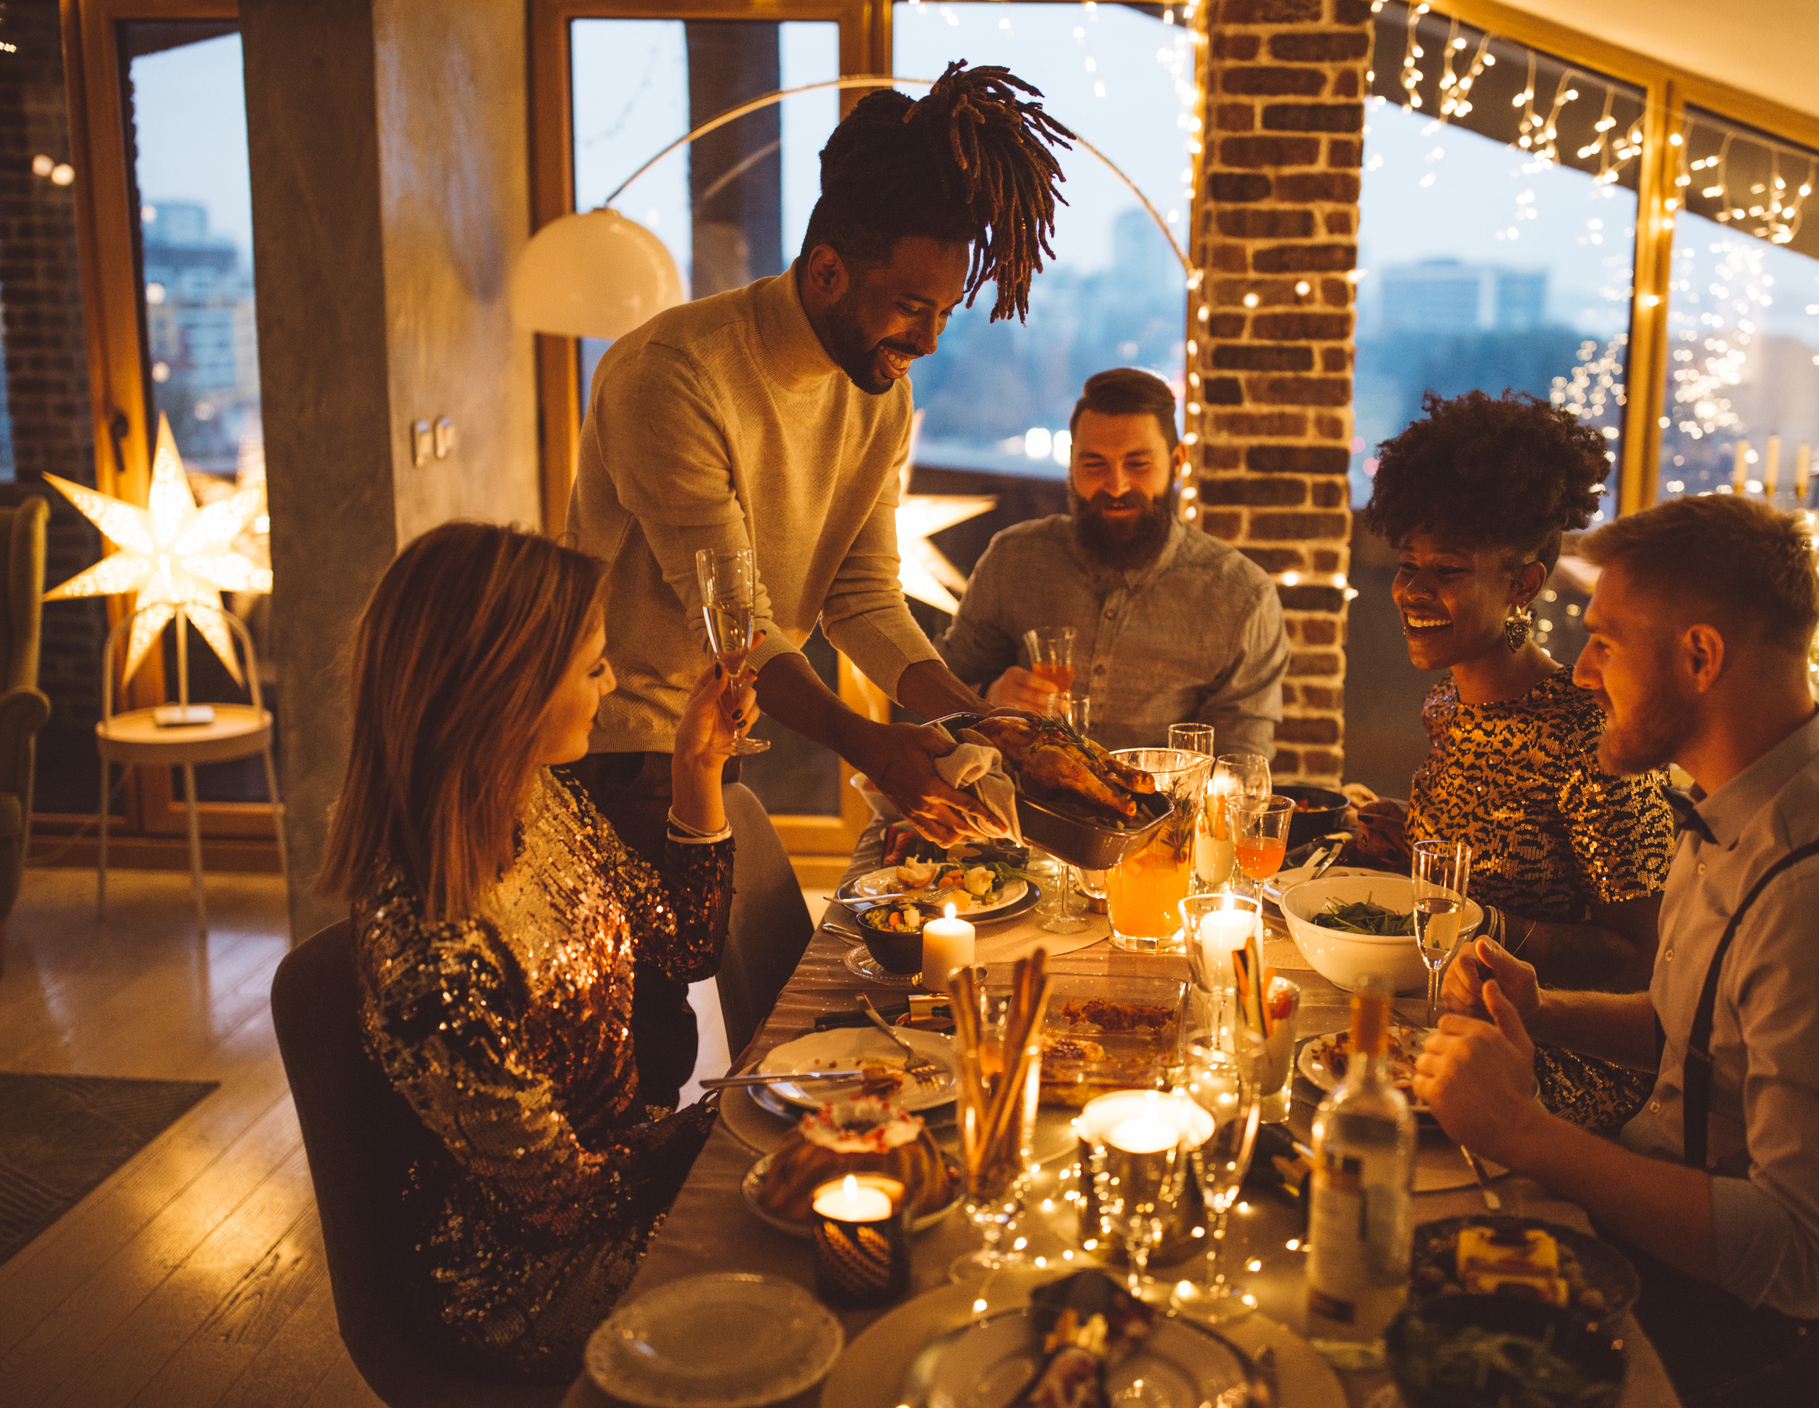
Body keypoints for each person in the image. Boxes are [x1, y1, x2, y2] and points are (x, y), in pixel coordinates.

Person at [566, 63, 1073, 1102]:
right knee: (634, 1038)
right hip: (608, 741)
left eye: (945, 312)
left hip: (712, 736)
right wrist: (879, 749)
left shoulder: (876, 395)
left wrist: (972, 720)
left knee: (674, 1008)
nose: (928, 339)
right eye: (910, 307)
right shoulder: (674, 375)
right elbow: (736, 626)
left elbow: (864, 594)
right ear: (830, 270)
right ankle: (625, 1245)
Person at [1417, 495, 1819, 1407]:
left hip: (1785, 1345)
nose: (1580, 669)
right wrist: (1542, 1010)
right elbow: (1703, 1031)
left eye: (1605, 641)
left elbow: (1804, 1257)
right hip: (1682, 1244)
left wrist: (1525, 1132)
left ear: (1700, 656)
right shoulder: (1737, 801)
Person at [319, 523, 754, 1382]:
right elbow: (558, 1206)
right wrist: (742, 1115)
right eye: (593, 666)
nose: (613, 683)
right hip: (522, 1283)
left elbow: (684, 945)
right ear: (507, 685)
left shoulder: (536, 795)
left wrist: (696, 769)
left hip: (622, 1179)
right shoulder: (432, 952)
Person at [1345, 390, 1672, 1134]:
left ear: (1523, 583)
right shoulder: (1448, 704)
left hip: (1557, 1063)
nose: (1413, 591)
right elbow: (1484, 852)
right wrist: (1407, 837)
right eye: (1408, 565)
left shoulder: (1596, 738)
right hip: (1444, 1010)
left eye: (1450, 571)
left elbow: (1640, 964)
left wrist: (1486, 922)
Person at [935, 367, 1287, 757]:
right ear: (1071, 462)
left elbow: (1242, 759)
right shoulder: (1014, 560)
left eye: (1137, 464)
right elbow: (936, 695)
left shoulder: (1241, 595)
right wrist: (989, 698)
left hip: (1163, 814)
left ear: (1177, 460)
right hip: (1016, 812)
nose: (1116, 486)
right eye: (1094, 464)